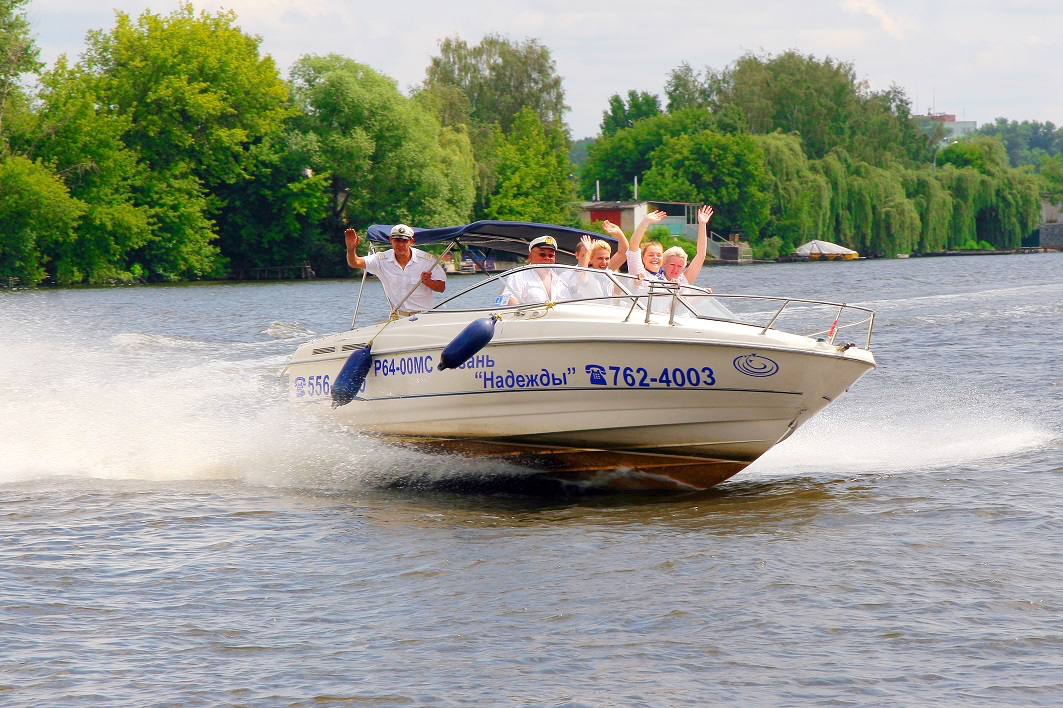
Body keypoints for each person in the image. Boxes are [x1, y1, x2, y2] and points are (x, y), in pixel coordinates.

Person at [344, 224, 446, 316]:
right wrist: (351, 249)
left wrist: (428, 282)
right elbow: (354, 263)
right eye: (397, 240)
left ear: (411, 241)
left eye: (404, 241)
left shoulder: (426, 260)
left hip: (426, 316)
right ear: (391, 240)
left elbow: (441, 288)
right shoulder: (381, 260)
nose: (400, 244)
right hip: (400, 319)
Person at [499, 234, 571, 305]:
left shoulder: (560, 282)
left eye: (551, 255)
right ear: (531, 256)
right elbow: (508, 299)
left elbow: (569, 305)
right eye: (542, 254)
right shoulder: (518, 276)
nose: (547, 258)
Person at [624, 209, 669, 279]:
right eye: (650, 255)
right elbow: (633, 244)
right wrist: (646, 221)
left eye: (659, 255)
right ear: (643, 258)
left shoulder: (665, 278)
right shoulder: (639, 272)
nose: (655, 257)